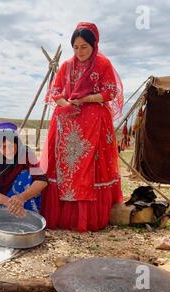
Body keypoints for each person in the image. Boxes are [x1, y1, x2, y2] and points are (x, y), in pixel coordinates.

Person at [40, 22, 124, 232]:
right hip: (66, 122)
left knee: (88, 166)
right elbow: (55, 92)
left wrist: (86, 99)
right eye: (76, 47)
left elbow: (110, 92)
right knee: (65, 164)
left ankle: (86, 217)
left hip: (93, 121)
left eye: (84, 47)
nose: (79, 52)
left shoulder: (103, 64)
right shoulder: (67, 65)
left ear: (94, 45)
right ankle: (61, 214)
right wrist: (65, 104)